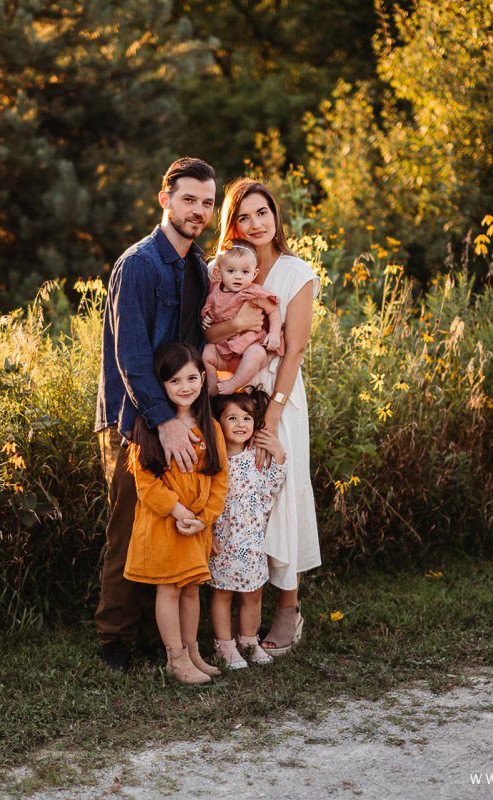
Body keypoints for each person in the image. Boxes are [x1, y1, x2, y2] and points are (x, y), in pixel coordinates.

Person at [96, 157, 248, 671]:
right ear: (165, 200)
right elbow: (131, 354)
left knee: (174, 521)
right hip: (134, 419)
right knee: (132, 524)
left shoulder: (194, 267)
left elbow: (199, 341)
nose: (199, 210)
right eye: (188, 199)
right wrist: (163, 422)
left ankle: (159, 639)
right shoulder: (138, 264)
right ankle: (115, 638)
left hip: (183, 416)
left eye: (207, 202)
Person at [206, 177, 319, 656]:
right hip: (230, 402)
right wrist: (238, 325)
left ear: (276, 216)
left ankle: (288, 609)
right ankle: (226, 617)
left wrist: (272, 415)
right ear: (232, 225)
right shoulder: (225, 270)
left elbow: (292, 352)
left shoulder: (296, 273)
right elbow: (207, 335)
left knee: (281, 497)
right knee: (235, 501)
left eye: (261, 213)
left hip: (277, 399)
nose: (254, 224)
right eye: (243, 216)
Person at [124, 343, 228, 685]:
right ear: (161, 385)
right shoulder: (151, 428)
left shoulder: (210, 427)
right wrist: (180, 511)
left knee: (191, 589)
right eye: (175, 381)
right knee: (168, 588)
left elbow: (219, 479)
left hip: (196, 525)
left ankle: (192, 650)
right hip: (165, 523)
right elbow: (147, 485)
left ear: (203, 379)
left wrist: (205, 517)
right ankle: (175, 658)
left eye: (192, 378)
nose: (186, 387)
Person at [208, 388, 287, 669]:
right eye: (232, 418)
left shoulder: (255, 458)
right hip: (223, 541)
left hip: (252, 542)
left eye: (246, 418)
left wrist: (278, 455)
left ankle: (249, 640)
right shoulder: (213, 461)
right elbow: (202, 501)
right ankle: (224, 645)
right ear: (218, 423)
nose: (241, 424)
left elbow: (268, 493)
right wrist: (206, 533)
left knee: (253, 593)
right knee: (222, 593)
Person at [200, 239, 284, 395]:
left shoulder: (254, 293)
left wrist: (274, 333)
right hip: (225, 351)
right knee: (206, 352)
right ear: (219, 272)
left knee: (257, 353)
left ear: (254, 274)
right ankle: (211, 387)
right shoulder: (214, 291)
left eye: (245, 272)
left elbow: (274, 311)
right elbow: (209, 309)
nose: (238, 277)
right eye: (231, 271)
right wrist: (206, 318)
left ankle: (234, 384)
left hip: (249, 347)